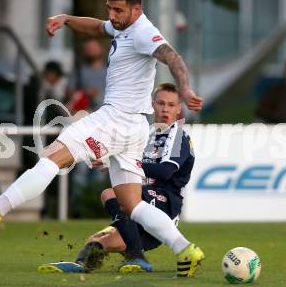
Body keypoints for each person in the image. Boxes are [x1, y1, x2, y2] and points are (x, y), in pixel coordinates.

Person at [0, 0, 204, 277]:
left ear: (137, 9)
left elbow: (171, 56)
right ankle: (185, 248)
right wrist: (68, 20)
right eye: (110, 7)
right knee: (132, 205)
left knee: (53, 155)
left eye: (118, 9)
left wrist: (185, 89)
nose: (112, 14)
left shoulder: (143, 32)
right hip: (134, 125)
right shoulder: (121, 25)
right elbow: (97, 27)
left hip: (115, 119)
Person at [37, 83, 196, 274]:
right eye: (161, 103)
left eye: (171, 105)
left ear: (179, 108)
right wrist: (107, 159)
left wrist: (124, 165)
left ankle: (137, 256)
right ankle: (81, 264)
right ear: (152, 104)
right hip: (139, 205)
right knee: (96, 242)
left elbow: (165, 172)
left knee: (110, 193)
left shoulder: (178, 136)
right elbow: (123, 155)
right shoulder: (146, 133)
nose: (165, 109)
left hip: (164, 205)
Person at [71, 39, 107, 111]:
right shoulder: (78, 71)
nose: (91, 50)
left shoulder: (112, 70)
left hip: (107, 114)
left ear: (101, 49)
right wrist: (84, 93)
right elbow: (69, 92)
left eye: (94, 48)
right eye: (88, 48)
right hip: (85, 115)